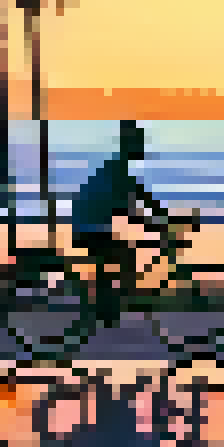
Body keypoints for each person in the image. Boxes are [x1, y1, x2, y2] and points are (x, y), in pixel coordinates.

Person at [70, 121, 173, 316]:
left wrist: (159, 218)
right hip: (89, 228)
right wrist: (158, 223)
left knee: (113, 255)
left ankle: (104, 307)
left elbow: (140, 197)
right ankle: (114, 305)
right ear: (129, 145)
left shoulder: (118, 168)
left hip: (90, 227)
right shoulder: (118, 171)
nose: (141, 149)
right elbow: (132, 204)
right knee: (126, 255)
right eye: (138, 144)